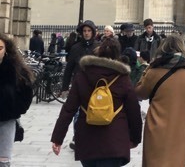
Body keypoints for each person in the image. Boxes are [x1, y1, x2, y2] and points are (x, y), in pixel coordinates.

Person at [51, 36, 142, 165]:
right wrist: (135, 139)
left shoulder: (82, 75)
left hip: (88, 141)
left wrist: (58, 138)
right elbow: (134, 111)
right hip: (115, 141)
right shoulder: (122, 78)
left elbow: (69, 108)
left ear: (98, 52)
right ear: (118, 55)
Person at [135, 33, 185, 167]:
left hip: (156, 128)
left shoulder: (154, 70)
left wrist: (146, 70)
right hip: (182, 130)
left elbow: (140, 93)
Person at [0, 33, 34, 165]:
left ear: (6, 50)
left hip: (6, 120)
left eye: (0, 48)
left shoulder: (16, 70)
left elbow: (26, 93)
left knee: (3, 161)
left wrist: (15, 108)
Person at [62, 21, 98, 91]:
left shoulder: (98, 47)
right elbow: (69, 69)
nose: (86, 33)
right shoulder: (75, 48)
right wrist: (65, 88)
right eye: (84, 31)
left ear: (92, 32)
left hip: (94, 85)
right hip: (78, 84)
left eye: (89, 31)